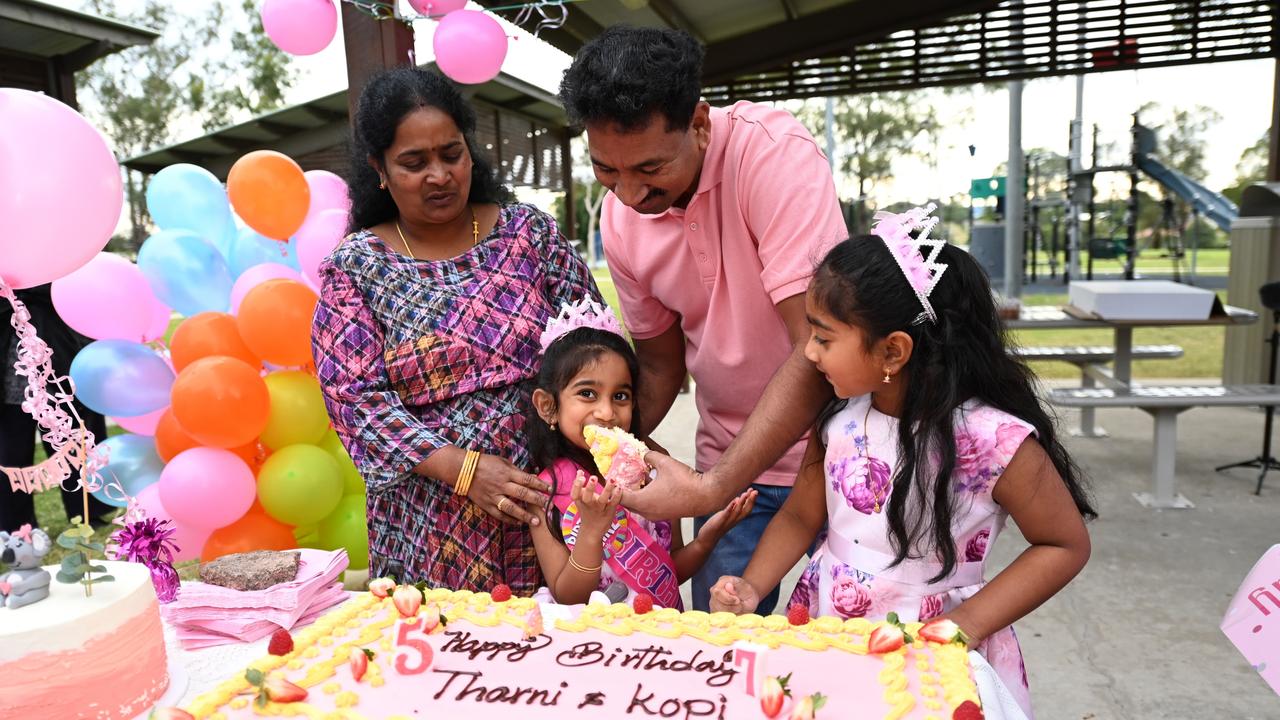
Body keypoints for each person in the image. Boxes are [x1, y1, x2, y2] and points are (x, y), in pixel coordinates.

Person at [709, 208, 1095, 717]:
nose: (809, 354)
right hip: (831, 630)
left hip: (935, 648)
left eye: (824, 338)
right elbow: (802, 517)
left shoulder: (993, 441)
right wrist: (753, 585)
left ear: (893, 351)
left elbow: (1063, 543)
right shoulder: (838, 421)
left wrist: (969, 624)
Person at [558, 25, 846, 613]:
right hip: (729, 462)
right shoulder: (619, 220)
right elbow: (661, 368)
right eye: (607, 171)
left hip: (841, 460)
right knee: (722, 648)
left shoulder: (772, 157)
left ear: (699, 123)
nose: (631, 195)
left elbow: (816, 349)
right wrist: (601, 447)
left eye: (649, 168)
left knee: (856, 656)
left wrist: (711, 487)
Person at [312, 67, 601, 595]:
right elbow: (355, 402)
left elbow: (595, 349)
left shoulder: (528, 235)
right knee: (444, 665)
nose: (439, 175)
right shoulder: (355, 267)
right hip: (427, 525)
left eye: (451, 153)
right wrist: (465, 471)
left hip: (550, 506)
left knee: (561, 661)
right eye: (413, 162)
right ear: (379, 169)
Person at [524, 300, 756, 607]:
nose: (606, 412)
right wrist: (592, 531)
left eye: (620, 396)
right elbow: (569, 596)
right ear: (547, 406)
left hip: (658, 636)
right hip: (595, 643)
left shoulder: (655, 473)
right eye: (587, 394)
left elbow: (669, 572)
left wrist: (706, 540)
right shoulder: (545, 491)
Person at [0, 283, 114, 532]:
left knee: (71, 443)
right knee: (11, 455)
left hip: (56, 361)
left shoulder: (52, 265)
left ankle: (87, 510)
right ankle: (15, 525)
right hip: (10, 376)